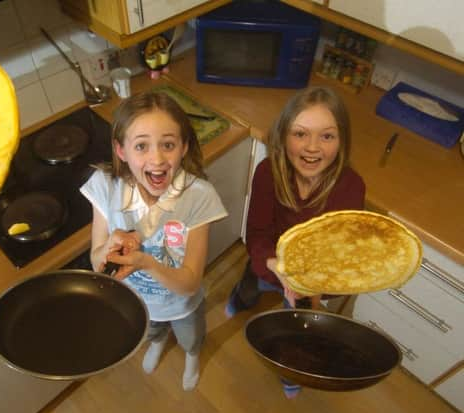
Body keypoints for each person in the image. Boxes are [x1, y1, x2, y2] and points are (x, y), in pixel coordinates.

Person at [80, 92, 228, 391]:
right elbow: (97, 261)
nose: (157, 159)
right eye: (141, 146)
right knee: (153, 332)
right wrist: (108, 246)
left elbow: (188, 283)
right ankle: (159, 343)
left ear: (184, 147)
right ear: (121, 150)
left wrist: (145, 262)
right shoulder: (105, 187)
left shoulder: (199, 197)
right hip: (137, 303)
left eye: (168, 145)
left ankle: (191, 356)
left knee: (190, 337)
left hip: (182, 304)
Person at [225, 86, 365, 397]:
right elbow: (258, 234)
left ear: (342, 141)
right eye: (300, 134)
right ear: (283, 136)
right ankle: (241, 299)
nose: (312, 147)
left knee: (298, 328)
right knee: (252, 282)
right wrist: (275, 265)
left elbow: (342, 255)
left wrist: (311, 287)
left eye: (327, 136)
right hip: (271, 259)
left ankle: (290, 371)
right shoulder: (268, 172)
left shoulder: (351, 188)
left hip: (310, 280)